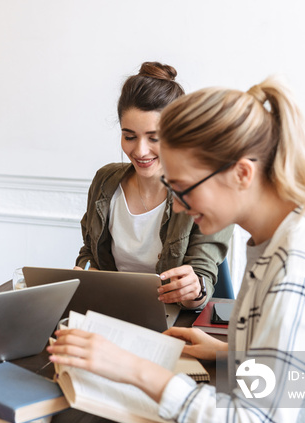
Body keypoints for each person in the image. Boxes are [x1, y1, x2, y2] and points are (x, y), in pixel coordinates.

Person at [50, 76, 305, 423]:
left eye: (183, 188)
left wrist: (136, 369)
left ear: (242, 173)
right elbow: (302, 369)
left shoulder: (295, 269)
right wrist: (230, 353)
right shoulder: (291, 228)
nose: (176, 207)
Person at [75, 62, 233, 310]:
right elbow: (90, 252)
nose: (139, 151)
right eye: (129, 136)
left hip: (176, 319)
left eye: (154, 138)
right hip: (113, 312)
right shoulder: (104, 182)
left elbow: (202, 282)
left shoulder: (209, 192)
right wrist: (86, 271)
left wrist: (194, 288)